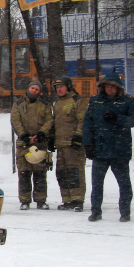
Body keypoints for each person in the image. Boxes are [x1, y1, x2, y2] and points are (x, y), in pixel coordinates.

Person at [83, 72, 134, 222]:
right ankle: (96, 211)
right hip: (100, 149)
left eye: (112, 86)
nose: (109, 89)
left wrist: (118, 119)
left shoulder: (128, 101)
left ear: (118, 88)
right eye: (107, 86)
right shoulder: (95, 101)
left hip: (119, 150)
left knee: (124, 183)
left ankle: (125, 212)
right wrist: (88, 144)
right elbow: (87, 124)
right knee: (97, 184)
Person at [10, 81, 53, 210]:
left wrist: (41, 134)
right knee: (24, 173)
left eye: (37, 89)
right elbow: (15, 120)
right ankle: (25, 200)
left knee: (40, 173)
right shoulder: (18, 104)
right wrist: (24, 135)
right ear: (28, 89)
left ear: (40, 91)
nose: (34, 91)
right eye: (32, 88)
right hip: (24, 144)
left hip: (40, 143)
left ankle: (41, 200)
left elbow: (49, 120)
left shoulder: (45, 105)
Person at [51, 76, 89, 212]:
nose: (59, 89)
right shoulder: (58, 104)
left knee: (75, 172)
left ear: (68, 86)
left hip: (74, 145)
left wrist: (79, 135)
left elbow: (83, 120)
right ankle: (67, 200)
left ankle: (78, 199)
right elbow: (55, 123)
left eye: (61, 86)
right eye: (57, 88)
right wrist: (51, 139)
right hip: (60, 145)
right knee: (62, 173)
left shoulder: (78, 100)